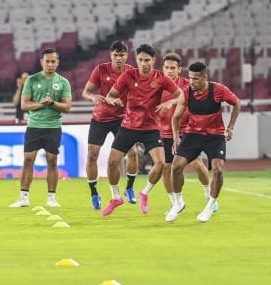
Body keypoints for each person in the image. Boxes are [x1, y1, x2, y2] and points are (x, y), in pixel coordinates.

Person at [100, 43, 183, 216]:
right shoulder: (128, 75)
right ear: (136, 60)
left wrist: (169, 102)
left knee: (160, 163)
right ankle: (116, 197)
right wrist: (113, 100)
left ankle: (144, 193)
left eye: (147, 60)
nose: (143, 63)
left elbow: (181, 95)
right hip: (129, 126)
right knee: (112, 162)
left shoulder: (161, 78)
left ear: (153, 60)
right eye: (140, 60)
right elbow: (110, 95)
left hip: (151, 128)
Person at [165, 61, 241, 223]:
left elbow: (237, 103)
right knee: (176, 166)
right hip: (193, 134)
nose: (192, 82)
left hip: (215, 136)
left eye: (196, 79)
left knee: (218, 170)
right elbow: (176, 117)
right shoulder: (186, 93)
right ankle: (178, 203)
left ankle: (209, 206)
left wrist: (231, 127)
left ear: (205, 78)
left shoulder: (218, 90)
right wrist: (176, 138)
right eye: (190, 78)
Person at [9, 49, 72, 208]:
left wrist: (52, 103)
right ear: (41, 62)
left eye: (53, 61)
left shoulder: (63, 82)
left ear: (57, 62)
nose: (50, 64)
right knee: (28, 160)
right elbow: (24, 105)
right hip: (34, 126)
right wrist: (42, 103)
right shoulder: (31, 80)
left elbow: (67, 107)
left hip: (53, 127)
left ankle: (51, 198)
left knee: (52, 161)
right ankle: (23, 197)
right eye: (47, 61)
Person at [81, 40, 140, 210]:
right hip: (100, 118)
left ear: (127, 56)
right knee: (92, 155)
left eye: (122, 55)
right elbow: (86, 92)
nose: (119, 58)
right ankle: (94, 193)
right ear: (111, 55)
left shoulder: (132, 72)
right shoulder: (100, 70)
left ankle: (129, 188)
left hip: (123, 118)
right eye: (116, 55)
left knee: (133, 153)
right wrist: (93, 98)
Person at [158, 53, 214, 209]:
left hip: (188, 130)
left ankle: (208, 195)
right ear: (162, 68)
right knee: (167, 168)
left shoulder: (188, 85)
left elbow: (188, 97)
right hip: (164, 132)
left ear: (179, 69)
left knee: (196, 163)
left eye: (172, 68)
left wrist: (172, 101)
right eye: (167, 67)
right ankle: (175, 203)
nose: (169, 71)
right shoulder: (156, 86)